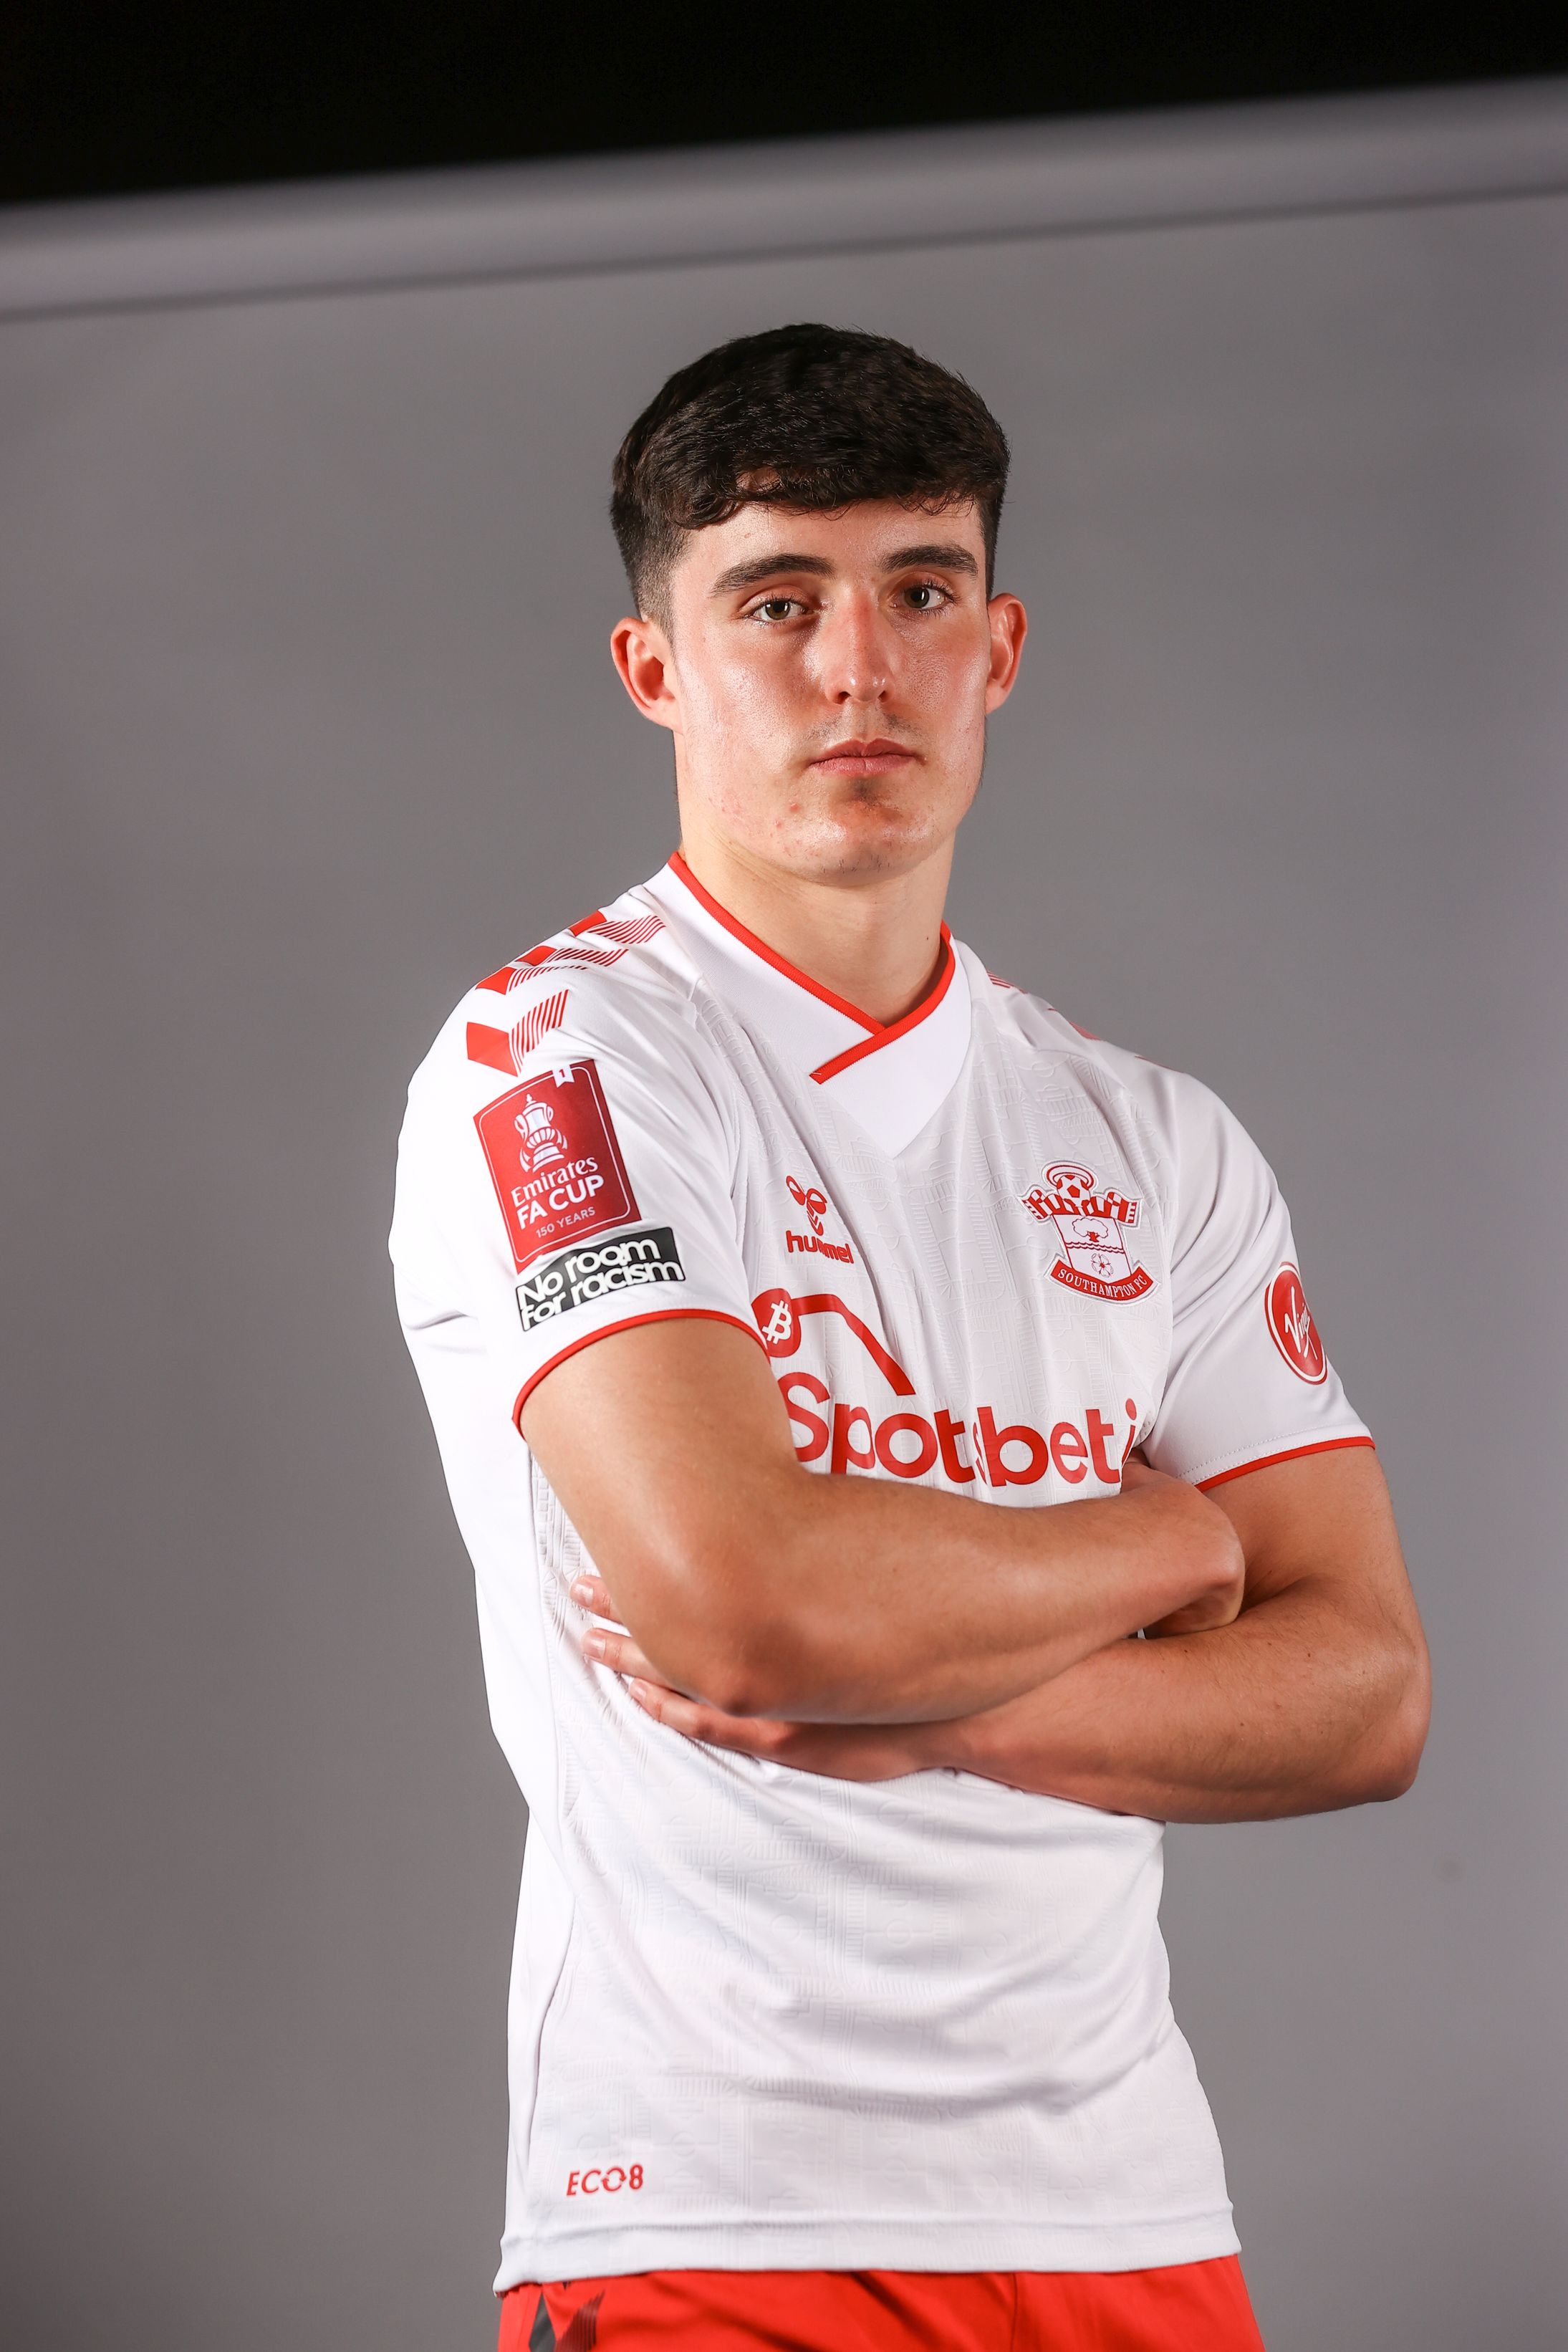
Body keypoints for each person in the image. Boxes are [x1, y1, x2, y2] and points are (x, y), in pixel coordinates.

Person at [390, 325, 1430, 2352]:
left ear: (1000, 647)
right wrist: (1167, 1543)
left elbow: (1367, 1698)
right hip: (714, 2209)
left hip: (1128, 2207)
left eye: (921, 592)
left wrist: (933, 1713)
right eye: (779, 601)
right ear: (657, 669)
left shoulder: (1152, 1138)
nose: (859, 668)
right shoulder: (562, 1060)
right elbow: (746, 1611)